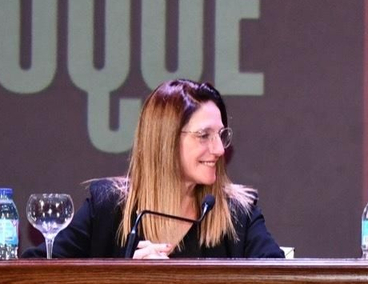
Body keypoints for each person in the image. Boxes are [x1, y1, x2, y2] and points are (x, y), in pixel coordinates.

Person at [26, 79, 285, 259]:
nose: (219, 149)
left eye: (220, 134)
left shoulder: (238, 213)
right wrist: (128, 283)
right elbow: (38, 273)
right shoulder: (107, 207)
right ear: (165, 142)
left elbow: (278, 282)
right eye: (204, 135)